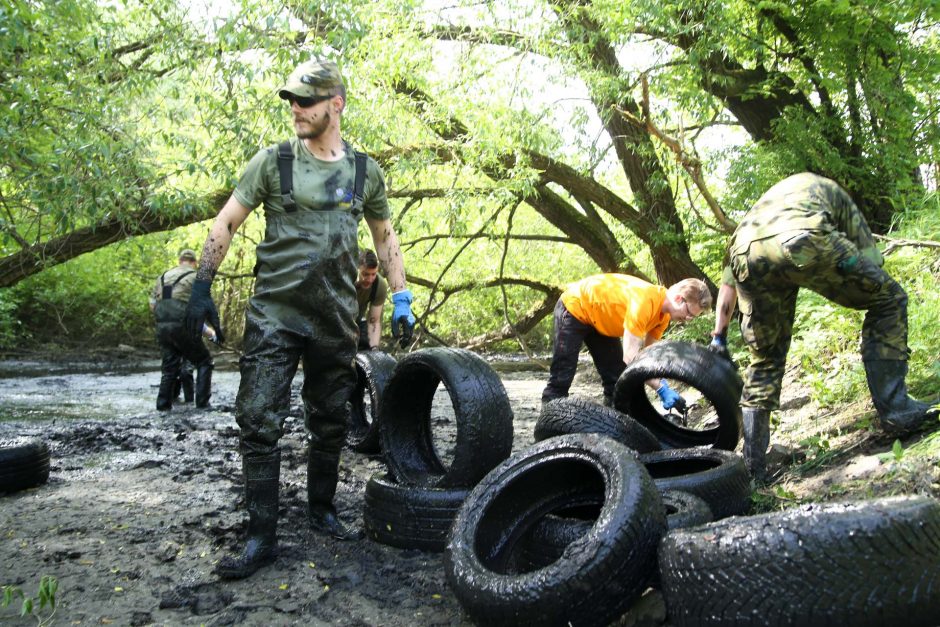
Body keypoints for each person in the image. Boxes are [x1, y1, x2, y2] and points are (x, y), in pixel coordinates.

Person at [184, 59, 416, 580]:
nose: (296, 108)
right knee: (259, 419)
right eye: (291, 99)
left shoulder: (364, 172)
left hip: (335, 316)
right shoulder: (273, 162)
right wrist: (201, 285)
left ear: (336, 104)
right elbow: (227, 220)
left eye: (306, 100)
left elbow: (383, 237)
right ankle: (261, 536)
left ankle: (321, 510)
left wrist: (400, 296)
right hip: (275, 315)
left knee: (331, 420)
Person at [711, 172, 938, 482]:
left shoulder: (758, 213)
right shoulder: (830, 191)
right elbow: (872, 257)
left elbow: (726, 291)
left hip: (745, 252)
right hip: (802, 238)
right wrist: (864, 280)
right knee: (889, 300)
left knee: (765, 359)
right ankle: (897, 410)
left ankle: (754, 472)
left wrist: (719, 338)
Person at [541, 273, 712, 408]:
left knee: (615, 380)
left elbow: (646, 357)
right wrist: (660, 388)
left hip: (600, 321)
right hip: (575, 307)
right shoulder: (645, 301)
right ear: (678, 299)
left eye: (693, 317)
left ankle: (612, 426)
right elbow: (631, 359)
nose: (688, 319)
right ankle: (547, 430)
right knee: (562, 375)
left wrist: (663, 383)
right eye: (689, 313)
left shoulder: (663, 318)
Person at [150, 249, 214, 411]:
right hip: (183, 325)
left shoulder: (164, 278)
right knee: (204, 361)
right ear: (194, 263)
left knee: (170, 367)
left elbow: (154, 305)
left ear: (180, 261)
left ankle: (163, 406)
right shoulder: (196, 277)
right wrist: (208, 331)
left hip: (163, 326)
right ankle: (202, 404)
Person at [355, 249, 387, 350]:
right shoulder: (343, 280)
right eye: (365, 274)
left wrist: (374, 349)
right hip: (332, 322)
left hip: (356, 323)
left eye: (373, 274)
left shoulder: (379, 285)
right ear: (356, 269)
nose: (369, 279)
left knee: (368, 346)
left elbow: (374, 321)